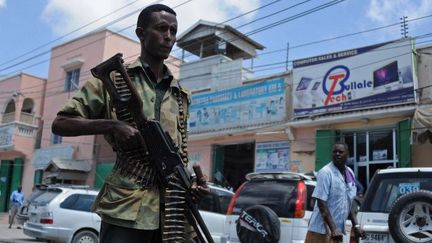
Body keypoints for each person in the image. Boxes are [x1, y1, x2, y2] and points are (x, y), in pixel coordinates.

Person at [51, 4, 208, 243]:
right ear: (141, 33)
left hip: (173, 209)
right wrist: (111, 126)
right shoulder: (114, 79)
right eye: (161, 29)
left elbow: (177, 152)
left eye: (173, 31)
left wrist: (192, 184)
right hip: (126, 206)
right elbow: (61, 123)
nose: (168, 37)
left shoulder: (181, 94)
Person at [305, 142, 365, 243]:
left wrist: (356, 225)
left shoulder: (349, 173)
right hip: (319, 231)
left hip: (336, 233)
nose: (337, 154)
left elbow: (349, 203)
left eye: (340, 152)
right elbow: (321, 203)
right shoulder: (326, 172)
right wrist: (333, 229)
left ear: (347, 154)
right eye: (335, 152)